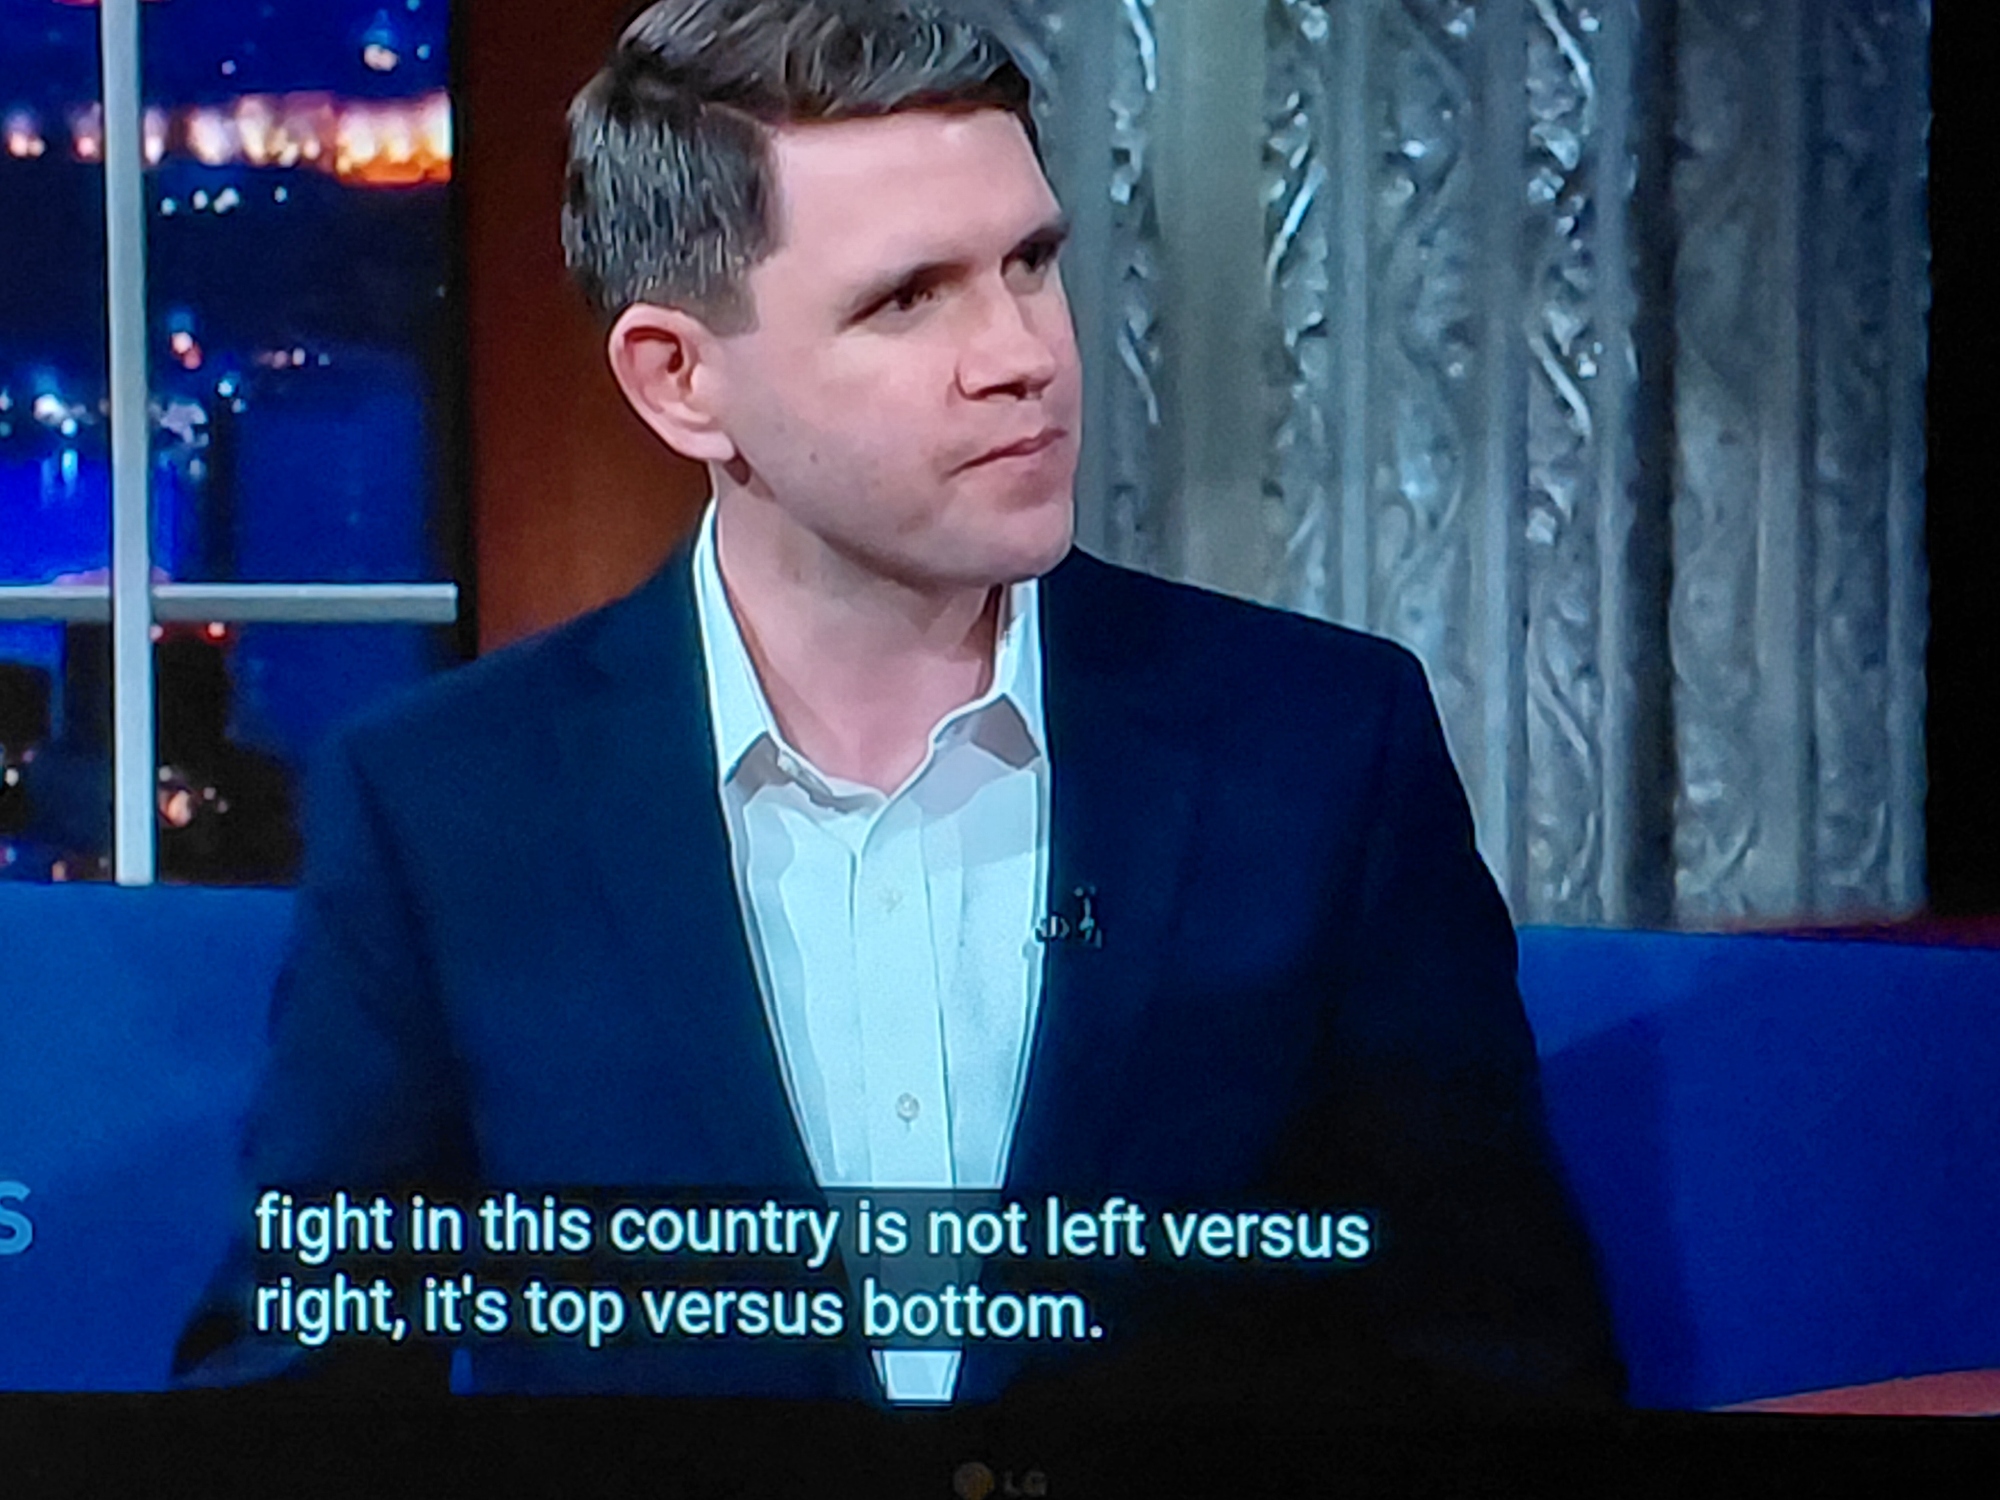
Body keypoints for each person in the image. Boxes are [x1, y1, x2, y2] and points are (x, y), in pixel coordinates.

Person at [176, 0, 1625, 1416]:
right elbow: (301, 1397)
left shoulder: (1320, 748)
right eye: (908, 297)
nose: (1025, 355)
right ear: (681, 381)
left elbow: (1502, 1369)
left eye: (1031, 262)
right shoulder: (446, 808)